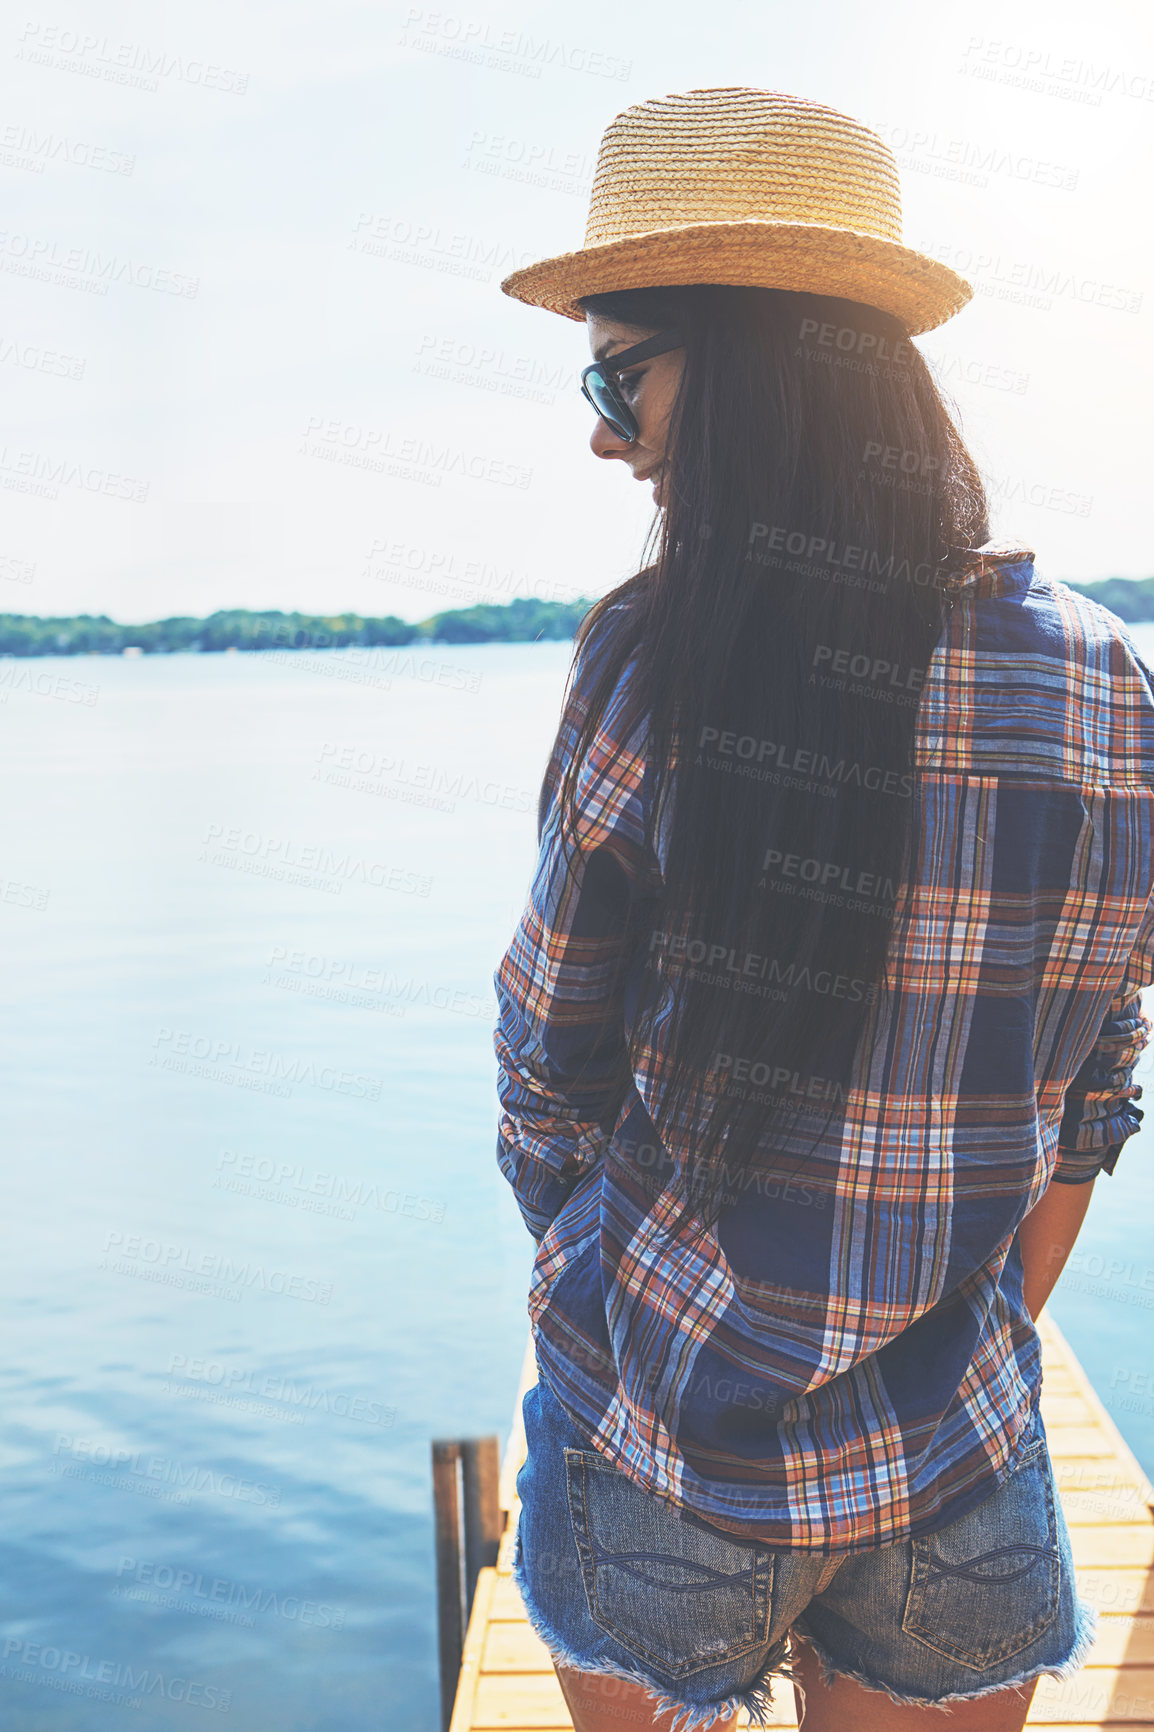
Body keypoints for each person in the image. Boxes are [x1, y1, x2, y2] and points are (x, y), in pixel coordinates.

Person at [491, 87, 1154, 1732]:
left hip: (664, 1436)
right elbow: (1093, 1085)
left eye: (616, 376)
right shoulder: (1103, 682)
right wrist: (962, 1320)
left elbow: (545, 1067)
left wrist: (611, 1273)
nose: (598, 431)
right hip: (960, 1453)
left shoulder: (650, 663)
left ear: (745, 376)